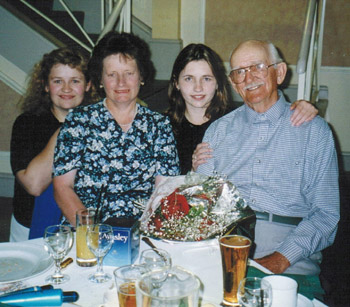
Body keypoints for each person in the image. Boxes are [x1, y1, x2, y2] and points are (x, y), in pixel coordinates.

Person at [195, 40, 339, 275]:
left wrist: (282, 258)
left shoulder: (314, 131)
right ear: (233, 83)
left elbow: (326, 214)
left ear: (279, 72)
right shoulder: (218, 131)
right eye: (240, 72)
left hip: (291, 253)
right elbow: (200, 202)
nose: (249, 78)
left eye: (258, 67)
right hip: (223, 245)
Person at [52, 31, 179, 226]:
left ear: (141, 77)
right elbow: (62, 188)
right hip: (85, 228)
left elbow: (165, 191)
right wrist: (91, 234)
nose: (121, 82)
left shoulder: (159, 125)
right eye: (112, 74)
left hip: (143, 229)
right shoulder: (78, 121)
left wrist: (141, 233)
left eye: (129, 73)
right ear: (101, 80)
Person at [166, 43, 318, 174]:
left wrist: (301, 107)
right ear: (176, 83)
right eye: (188, 79)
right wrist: (193, 171)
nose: (198, 88)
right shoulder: (162, 127)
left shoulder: (233, 122)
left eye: (206, 78)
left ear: (218, 82)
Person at [10, 47, 93, 242]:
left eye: (75, 81)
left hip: (80, 224)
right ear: (46, 86)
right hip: (31, 229)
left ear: (88, 85)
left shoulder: (98, 123)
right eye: (58, 81)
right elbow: (34, 185)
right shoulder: (27, 124)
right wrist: (69, 127)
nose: (66, 88)